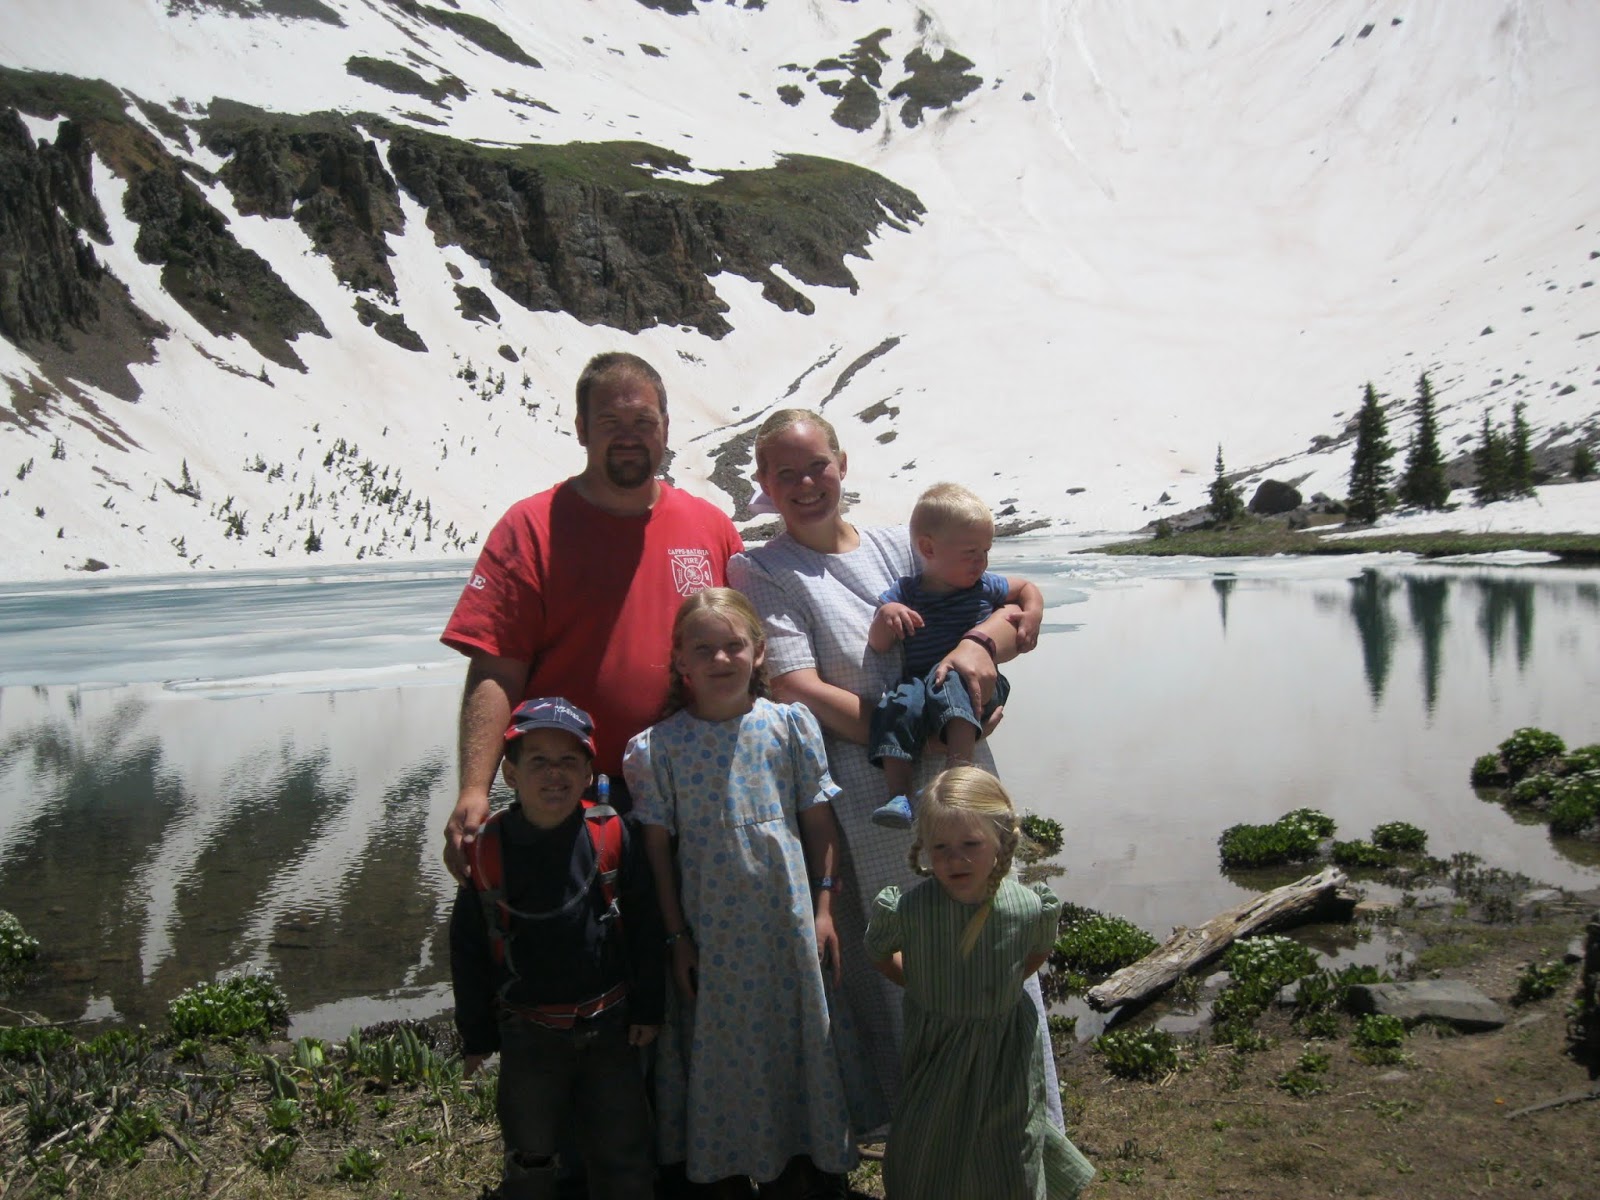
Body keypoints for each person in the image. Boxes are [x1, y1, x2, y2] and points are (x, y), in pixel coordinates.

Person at [726, 408, 1062, 1123]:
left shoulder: (901, 543)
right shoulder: (762, 569)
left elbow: (999, 607)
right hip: (874, 798)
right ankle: (938, 1144)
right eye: (786, 473)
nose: (806, 484)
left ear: (842, 464)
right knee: (913, 965)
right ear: (765, 484)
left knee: (995, 937)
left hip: (962, 778)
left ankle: (1021, 1136)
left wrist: (980, 644)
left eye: (817, 465)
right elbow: (795, 685)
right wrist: (909, 737)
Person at [440, 350, 744, 882]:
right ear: (581, 429)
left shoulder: (710, 527)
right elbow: (496, 668)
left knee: (692, 932)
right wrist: (473, 789)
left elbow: (750, 656)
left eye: (643, 422)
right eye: (610, 422)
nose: (629, 436)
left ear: (665, 427)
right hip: (571, 799)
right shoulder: (531, 528)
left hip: (698, 789)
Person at [623, 588, 880, 1199]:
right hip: (711, 937)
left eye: (733, 645)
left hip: (787, 928)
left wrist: (824, 908)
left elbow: (818, 823)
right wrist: (676, 937)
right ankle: (731, 1167)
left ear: (759, 651)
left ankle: (808, 1166)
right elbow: (657, 854)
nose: (720, 659)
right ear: (680, 660)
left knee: (798, 1040)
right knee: (726, 1050)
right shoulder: (658, 748)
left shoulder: (788, 726)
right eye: (703, 648)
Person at [449, 697, 664, 1200]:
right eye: (539, 760)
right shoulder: (485, 851)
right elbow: (468, 949)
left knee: (624, 1149)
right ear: (510, 774)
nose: (554, 774)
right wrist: (476, 1034)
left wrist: (649, 1009)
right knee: (531, 1154)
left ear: (589, 773)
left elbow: (646, 928)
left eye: (569, 760)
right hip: (527, 1033)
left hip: (610, 1028)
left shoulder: (612, 835)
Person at [865, 767, 1094, 1200]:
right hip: (937, 1049)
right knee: (924, 1142)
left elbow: (1037, 952)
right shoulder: (912, 910)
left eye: (970, 844)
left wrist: (1001, 983)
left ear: (1000, 840)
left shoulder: (1025, 907)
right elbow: (878, 953)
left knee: (1008, 1143)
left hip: (1003, 1051)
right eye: (941, 847)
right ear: (925, 847)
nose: (956, 859)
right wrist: (921, 983)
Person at [866, 481, 1044, 829]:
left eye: (986, 551)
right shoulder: (905, 592)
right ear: (928, 548)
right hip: (923, 682)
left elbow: (1026, 587)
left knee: (953, 681)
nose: (981, 561)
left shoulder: (985, 585)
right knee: (895, 705)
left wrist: (1033, 612)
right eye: (970, 552)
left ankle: (957, 776)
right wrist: (886, 616)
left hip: (977, 682)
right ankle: (899, 795)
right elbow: (879, 644)